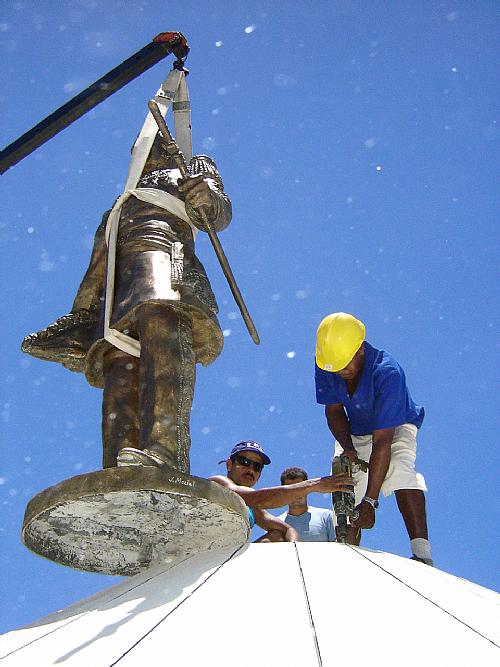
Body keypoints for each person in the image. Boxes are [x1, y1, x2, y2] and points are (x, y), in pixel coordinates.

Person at [22, 132, 231, 474]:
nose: (146, 147)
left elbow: (219, 211)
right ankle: (117, 467)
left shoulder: (188, 167)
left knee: (161, 331)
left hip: (164, 259)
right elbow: (97, 267)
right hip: (120, 285)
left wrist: (206, 195)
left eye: (153, 141)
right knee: (119, 362)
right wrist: (84, 316)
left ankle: (166, 452)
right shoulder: (123, 199)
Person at [315, 312, 433, 565]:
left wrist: (370, 501)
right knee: (344, 482)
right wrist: (348, 449)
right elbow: (334, 410)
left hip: (395, 425)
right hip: (355, 429)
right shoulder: (327, 362)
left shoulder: (387, 373)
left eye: (345, 365)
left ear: (359, 350)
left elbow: (383, 442)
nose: (340, 372)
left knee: (400, 470)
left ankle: (422, 553)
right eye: (334, 368)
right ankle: (347, 552)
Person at [209, 441, 353, 542]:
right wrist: (313, 485)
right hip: (203, 560)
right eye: (244, 462)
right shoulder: (217, 484)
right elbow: (255, 498)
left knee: (277, 536)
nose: (250, 469)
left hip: (229, 558)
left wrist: (295, 555)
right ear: (229, 464)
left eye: (257, 466)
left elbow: (287, 530)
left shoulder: (251, 507)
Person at [276, 467, 336, 542]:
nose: (295, 493)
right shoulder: (277, 523)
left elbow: (337, 547)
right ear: (283, 491)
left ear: (308, 489)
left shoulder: (325, 516)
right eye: (290, 489)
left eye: (299, 488)